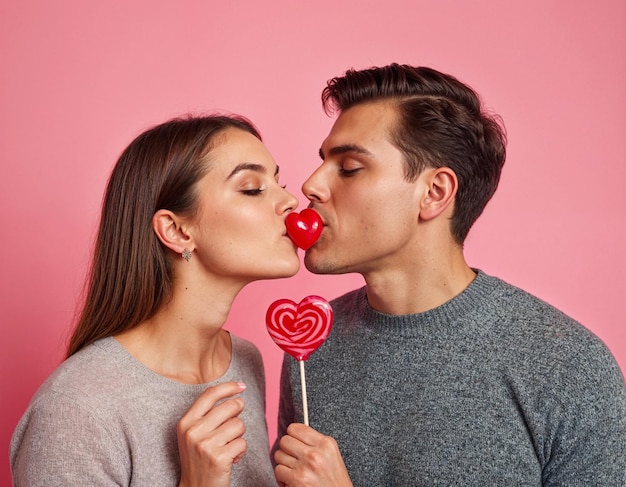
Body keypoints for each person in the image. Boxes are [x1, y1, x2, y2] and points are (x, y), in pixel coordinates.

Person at [272, 64, 626, 486]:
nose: (310, 185)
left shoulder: (565, 365)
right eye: (323, 162)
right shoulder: (310, 346)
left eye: (348, 168)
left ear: (434, 193)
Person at [11, 114, 301, 486]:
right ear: (177, 230)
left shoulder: (245, 361)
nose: (291, 201)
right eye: (251, 188)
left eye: (279, 182)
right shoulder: (74, 410)